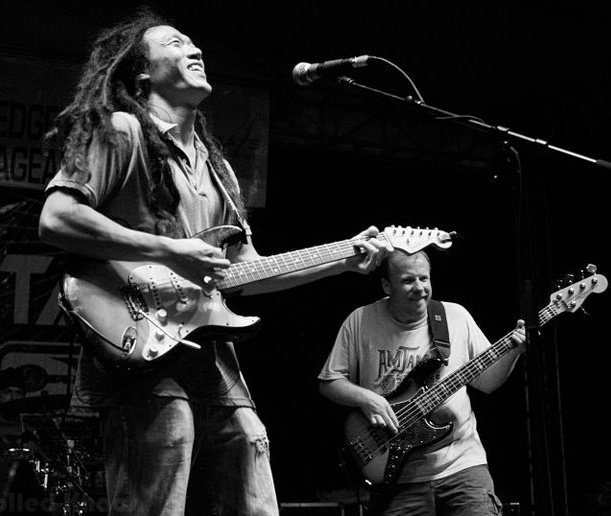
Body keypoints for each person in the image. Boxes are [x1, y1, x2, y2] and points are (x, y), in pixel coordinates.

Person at [37, 7, 392, 516]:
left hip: (211, 357)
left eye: (193, 43)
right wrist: (169, 249)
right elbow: (57, 219)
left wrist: (342, 260)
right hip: (141, 344)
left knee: (251, 457)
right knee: (162, 476)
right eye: (175, 43)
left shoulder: (218, 166)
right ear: (142, 73)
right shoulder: (122, 131)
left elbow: (244, 272)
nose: (195, 49)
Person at [318, 250, 526, 515]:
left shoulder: (454, 316)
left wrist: (514, 352)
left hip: (462, 466)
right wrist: (368, 399)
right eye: (408, 280)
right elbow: (330, 381)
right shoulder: (360, 321)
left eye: (424, 278)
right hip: (396, 476)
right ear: (386, 285)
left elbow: (487, 382)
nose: (419, 288)